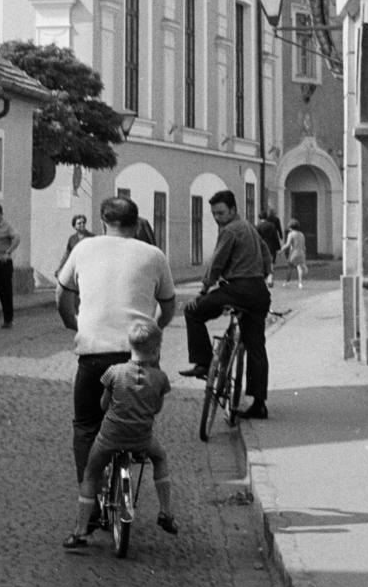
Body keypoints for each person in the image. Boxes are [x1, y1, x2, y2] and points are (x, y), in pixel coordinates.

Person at [56, 195, 176, 482]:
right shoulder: (153, 255)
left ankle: (90, 498)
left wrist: (72, 323)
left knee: (86, 426)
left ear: (102, 222)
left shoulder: (84, 247)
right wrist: (152, 332)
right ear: (136, 225)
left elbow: (62, 293)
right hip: (138, 355)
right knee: (140, 414)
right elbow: (169, 306)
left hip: (93, 352)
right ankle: (135, 447)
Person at [63, 316, 179, 550]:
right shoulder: (160, 379)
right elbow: (156, 408)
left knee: (91, 473)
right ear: (156, 350)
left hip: (110, 438)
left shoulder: (114, 372)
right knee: (159, 457)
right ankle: (166, 511)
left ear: (130, 346)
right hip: (141, 439)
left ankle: (81, 531)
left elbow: (104, 405)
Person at [180, 188, 271, 419]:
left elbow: (217, 263)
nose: (217, 218)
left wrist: (202, 290)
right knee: (256, 348)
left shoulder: (229, 231)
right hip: (259, 292)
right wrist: (265, 274)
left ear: (233, 210)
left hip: (237, 290)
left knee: (193, 312)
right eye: (214, 214)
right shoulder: (250, 227)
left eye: (221, 213)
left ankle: (203, 361)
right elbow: (267, 254)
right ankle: (259, 404)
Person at [256, 210, 282, 287]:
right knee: (270, 263)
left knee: (261, 264)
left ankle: (262, 280)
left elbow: (256, 238)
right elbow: (275, 237)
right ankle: (270, 280)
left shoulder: (258, 226)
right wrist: (278, 248)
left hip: (261, 248)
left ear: (259, 217)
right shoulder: (272, 226)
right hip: (271, 247)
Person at [282, 219, 308, 289]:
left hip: (293, 253)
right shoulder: (301, 234)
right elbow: (303, 245)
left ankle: (287, 282)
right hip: (301, 252)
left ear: (290, 227)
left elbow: (288, 244)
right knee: (299, 268)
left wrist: (281, 249)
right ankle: (300, 283)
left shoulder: (291, 234)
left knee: (290, 268)